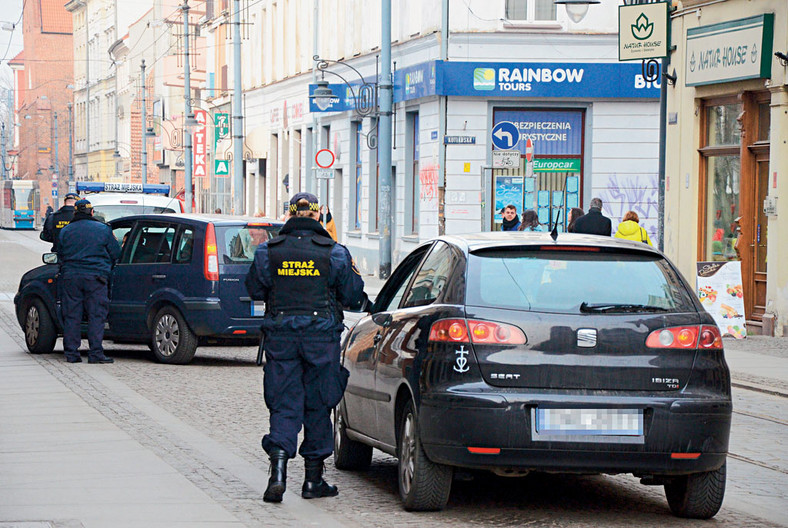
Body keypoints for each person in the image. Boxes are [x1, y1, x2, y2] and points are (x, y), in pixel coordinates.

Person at [245, 192, 368, 503]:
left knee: (284, 402)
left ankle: (278, 471)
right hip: (321, 338)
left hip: (281, 336)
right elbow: (353, 293)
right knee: (318, 404)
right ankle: (313, 481)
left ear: (289, 215)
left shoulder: (268, 251)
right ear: (317, 216)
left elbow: (254, 288)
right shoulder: (334, 252)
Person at [58, 199, 121, 364]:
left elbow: (60, 253)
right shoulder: (103, 230)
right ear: (91, 212)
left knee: (72, 315)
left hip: (71, 278)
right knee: (96, 315)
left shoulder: (66, 231)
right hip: (96, 278)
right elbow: (116, 253)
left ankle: (71, 354)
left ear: (75, 213)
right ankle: (95, 354)